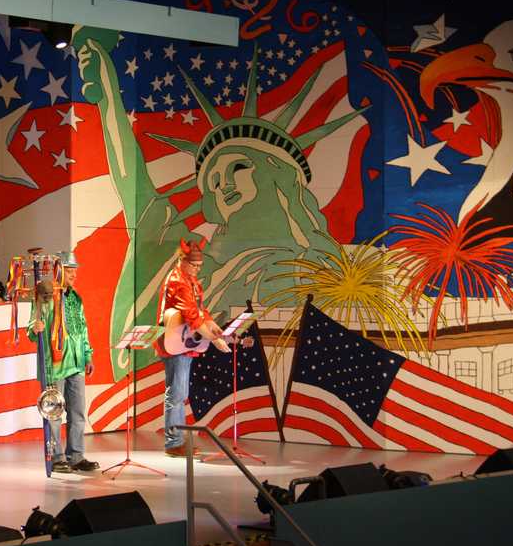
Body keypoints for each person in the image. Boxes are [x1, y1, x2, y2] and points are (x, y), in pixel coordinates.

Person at [71, 25, 348, 383]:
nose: (224, 185)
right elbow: (131, 177)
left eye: (238, 167)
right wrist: (108, 89)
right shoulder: (198, 269)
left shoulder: (319, 265)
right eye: (214, 183)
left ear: (276, 172)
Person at [28, 251, 99, 473]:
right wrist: (34, 329)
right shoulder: (46, 296)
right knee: (54, 411)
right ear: (58, 271)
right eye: (69, 270)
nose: (74, 274)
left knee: (77, 412)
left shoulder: (76, 298)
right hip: (55, 365)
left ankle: (76, 456)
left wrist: (88, 355)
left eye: (75, 270)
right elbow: (32, 328)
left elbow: (82, 329)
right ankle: (57, 457)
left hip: (76, 363)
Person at [156, 239, 223, 457]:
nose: (197, 269)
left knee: (180, 392)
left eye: (199, 266)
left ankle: (176, 440)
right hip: (175, 343)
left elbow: (200, 310)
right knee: (176, 393)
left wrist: (213, 326)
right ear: (182, 260)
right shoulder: (178, 281)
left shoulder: (190, 280)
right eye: (193, 265)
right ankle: (174, 442)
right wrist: (214, 340)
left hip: (184, 343)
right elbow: (191, 315)